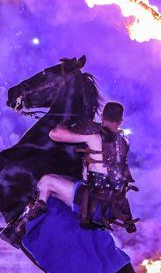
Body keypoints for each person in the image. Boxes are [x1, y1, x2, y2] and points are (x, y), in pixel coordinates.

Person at [13, 101, 137, 238]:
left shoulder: (94, 136)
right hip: (113, 206)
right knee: (64, 184)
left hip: (93, 205)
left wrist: (65, 124)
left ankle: (23, 229)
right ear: (120, 121)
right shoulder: (124, 140)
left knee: (46, 181)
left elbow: (54, 134)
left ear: (102, 116)